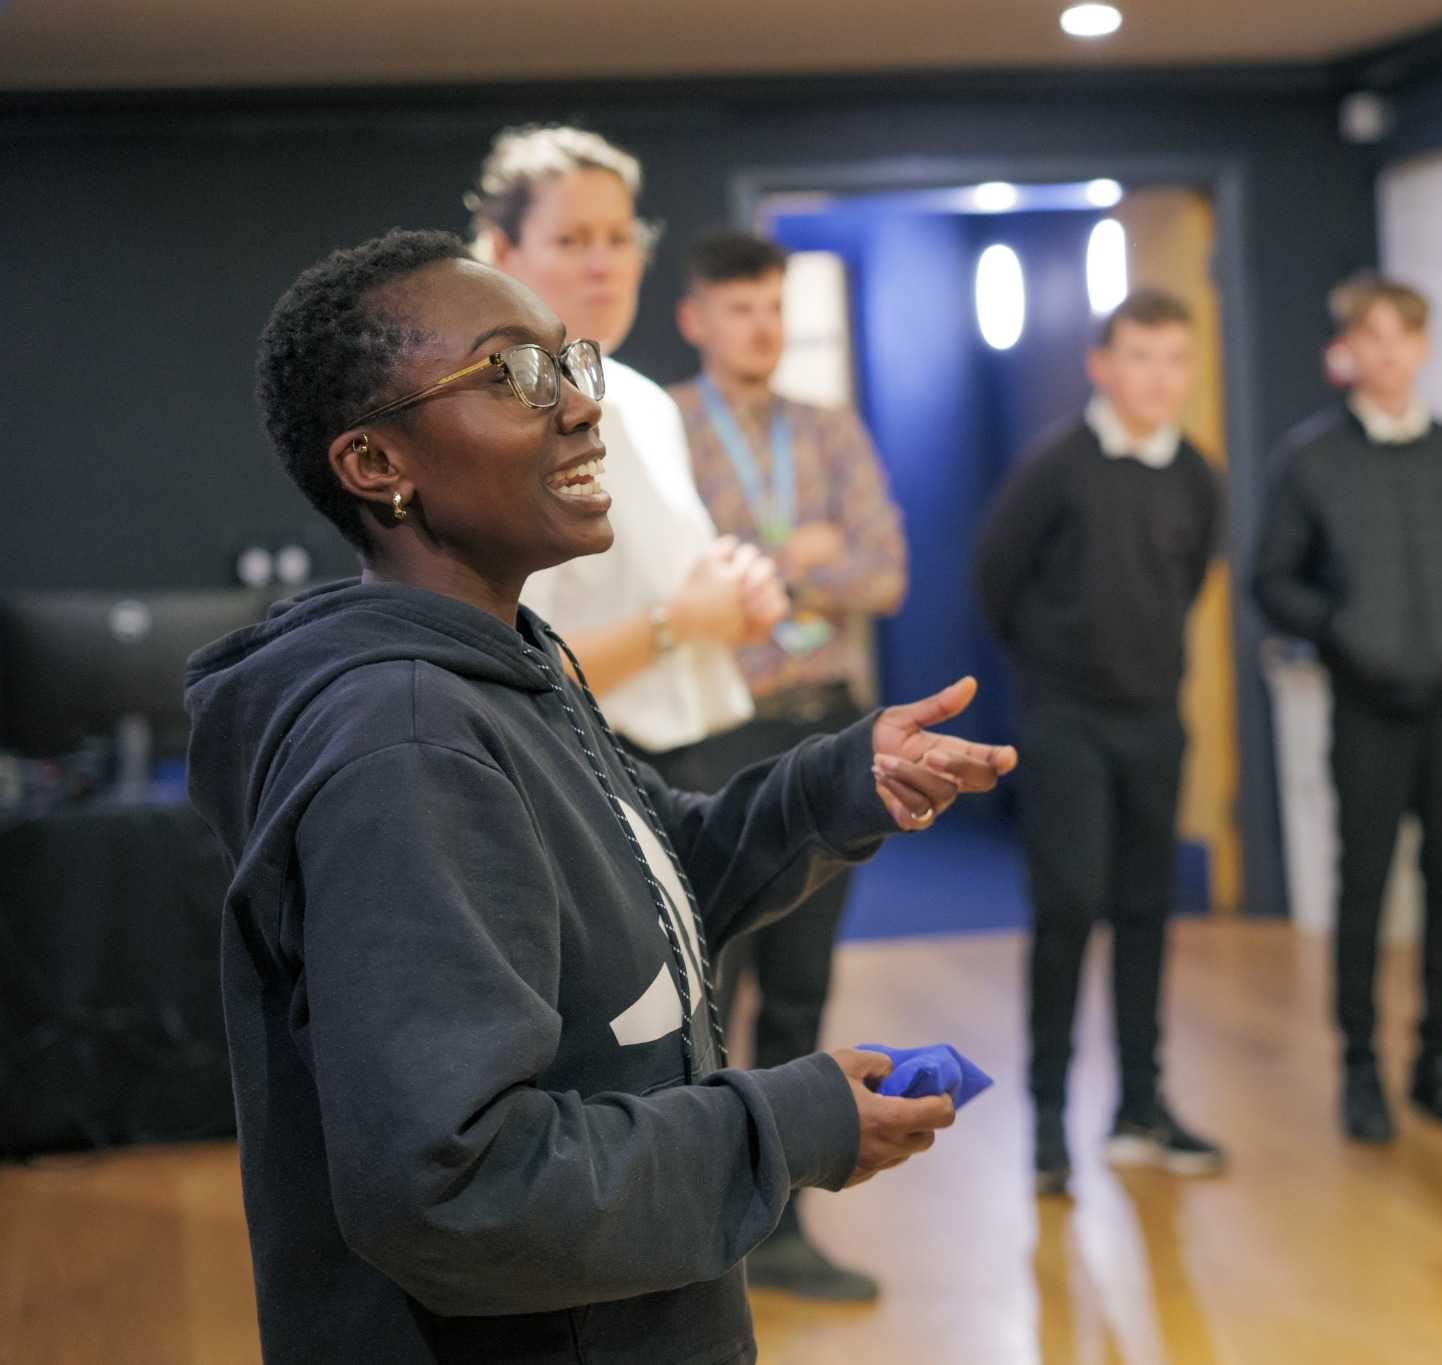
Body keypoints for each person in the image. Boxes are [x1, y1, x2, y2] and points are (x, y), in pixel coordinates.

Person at [187, 228, 1015, 1364]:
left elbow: (640, 883)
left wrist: (836, 782)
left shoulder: (505, 662)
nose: (582, 408)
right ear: (378, 467)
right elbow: (458, 1187)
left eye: (566, 364)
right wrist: (787, 1120)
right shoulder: (410, 746)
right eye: (513, 376)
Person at [667, 231, 910, 1298]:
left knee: (804, 983)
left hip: (828, 732)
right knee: (702, 984)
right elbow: (674, 580)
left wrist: (770, 571)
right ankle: (688, 1218)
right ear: (696, 320)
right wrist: (798, 553)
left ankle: (783, 1226)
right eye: (739, 308)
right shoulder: (660, 429)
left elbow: (886, 571)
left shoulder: (830, 428)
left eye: (773, 307)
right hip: (715, 728)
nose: (760, 327)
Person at [1253, 273, 1442, 1145]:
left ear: (1423, 347)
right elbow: (1274, 577)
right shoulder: (1311, 460)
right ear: (1346, 351)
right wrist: (1342, 634)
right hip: (1365, 707)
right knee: (1365, 884)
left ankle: (1439, 1058)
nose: (1387, 353)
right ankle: (1361, 1068)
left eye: (1402, 336)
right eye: (1369, 337)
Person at [973, 288, 1226, 1198]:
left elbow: (1189, 582)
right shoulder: (1056, 468)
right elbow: (995, 577)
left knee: (1148, 909)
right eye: (1141, 357)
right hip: (1064, 718)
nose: (1160, 378)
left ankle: (1142, 1107)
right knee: (1068, 905)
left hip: (1155, 719)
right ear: (1102, 365)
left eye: (1176, 359)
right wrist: (1055, 672)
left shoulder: (1197, 475)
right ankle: (1047, 1120)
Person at [467, 125, 788, 780]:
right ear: (503, 252)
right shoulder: (491, 416)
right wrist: (678, 622)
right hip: (563, 766)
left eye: (618, 238)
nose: (603, 264)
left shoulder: (646, 404)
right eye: (571, 240)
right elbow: (492, 664)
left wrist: (735, 602)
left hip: (677, 765)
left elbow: (677, 610)